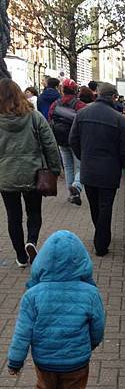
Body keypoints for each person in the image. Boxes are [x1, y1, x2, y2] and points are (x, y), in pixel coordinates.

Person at [7, 230, 105, 389]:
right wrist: (90, 344)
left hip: (45, 361)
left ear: (42, 262)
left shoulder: (33, 295)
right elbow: (98, 327)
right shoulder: (90, 293)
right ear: (83, 261)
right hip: (76, 363)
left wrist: (15, 361)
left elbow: (22, 333)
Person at [0, 78, 61, 266]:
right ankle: (31, 241)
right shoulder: (34, 117)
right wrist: (55, 169)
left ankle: (20, 255)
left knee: (13, 215)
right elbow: (50, 144)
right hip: (33, 172)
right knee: (34, 211)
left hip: (6, 174)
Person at [69, 82, 125, 257]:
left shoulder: (82, 114)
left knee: (94, 205)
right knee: (106, 207)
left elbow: (73, 139)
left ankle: (101, 234)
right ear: (113, 97)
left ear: (98, 94)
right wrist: (119, 165)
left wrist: (84, 157)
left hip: (89, 168)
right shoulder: (119, 119)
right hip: (109, 170)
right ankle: (101, 242)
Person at [48, 78, 86, 206]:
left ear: (62, 90)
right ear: (75, 90)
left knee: (68, 166)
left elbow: (50, 118)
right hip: (76, 141)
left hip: (61, 140)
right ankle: (76, 186)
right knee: (81, 166)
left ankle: (72, 194)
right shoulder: (79, 105)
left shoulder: (55, 103)